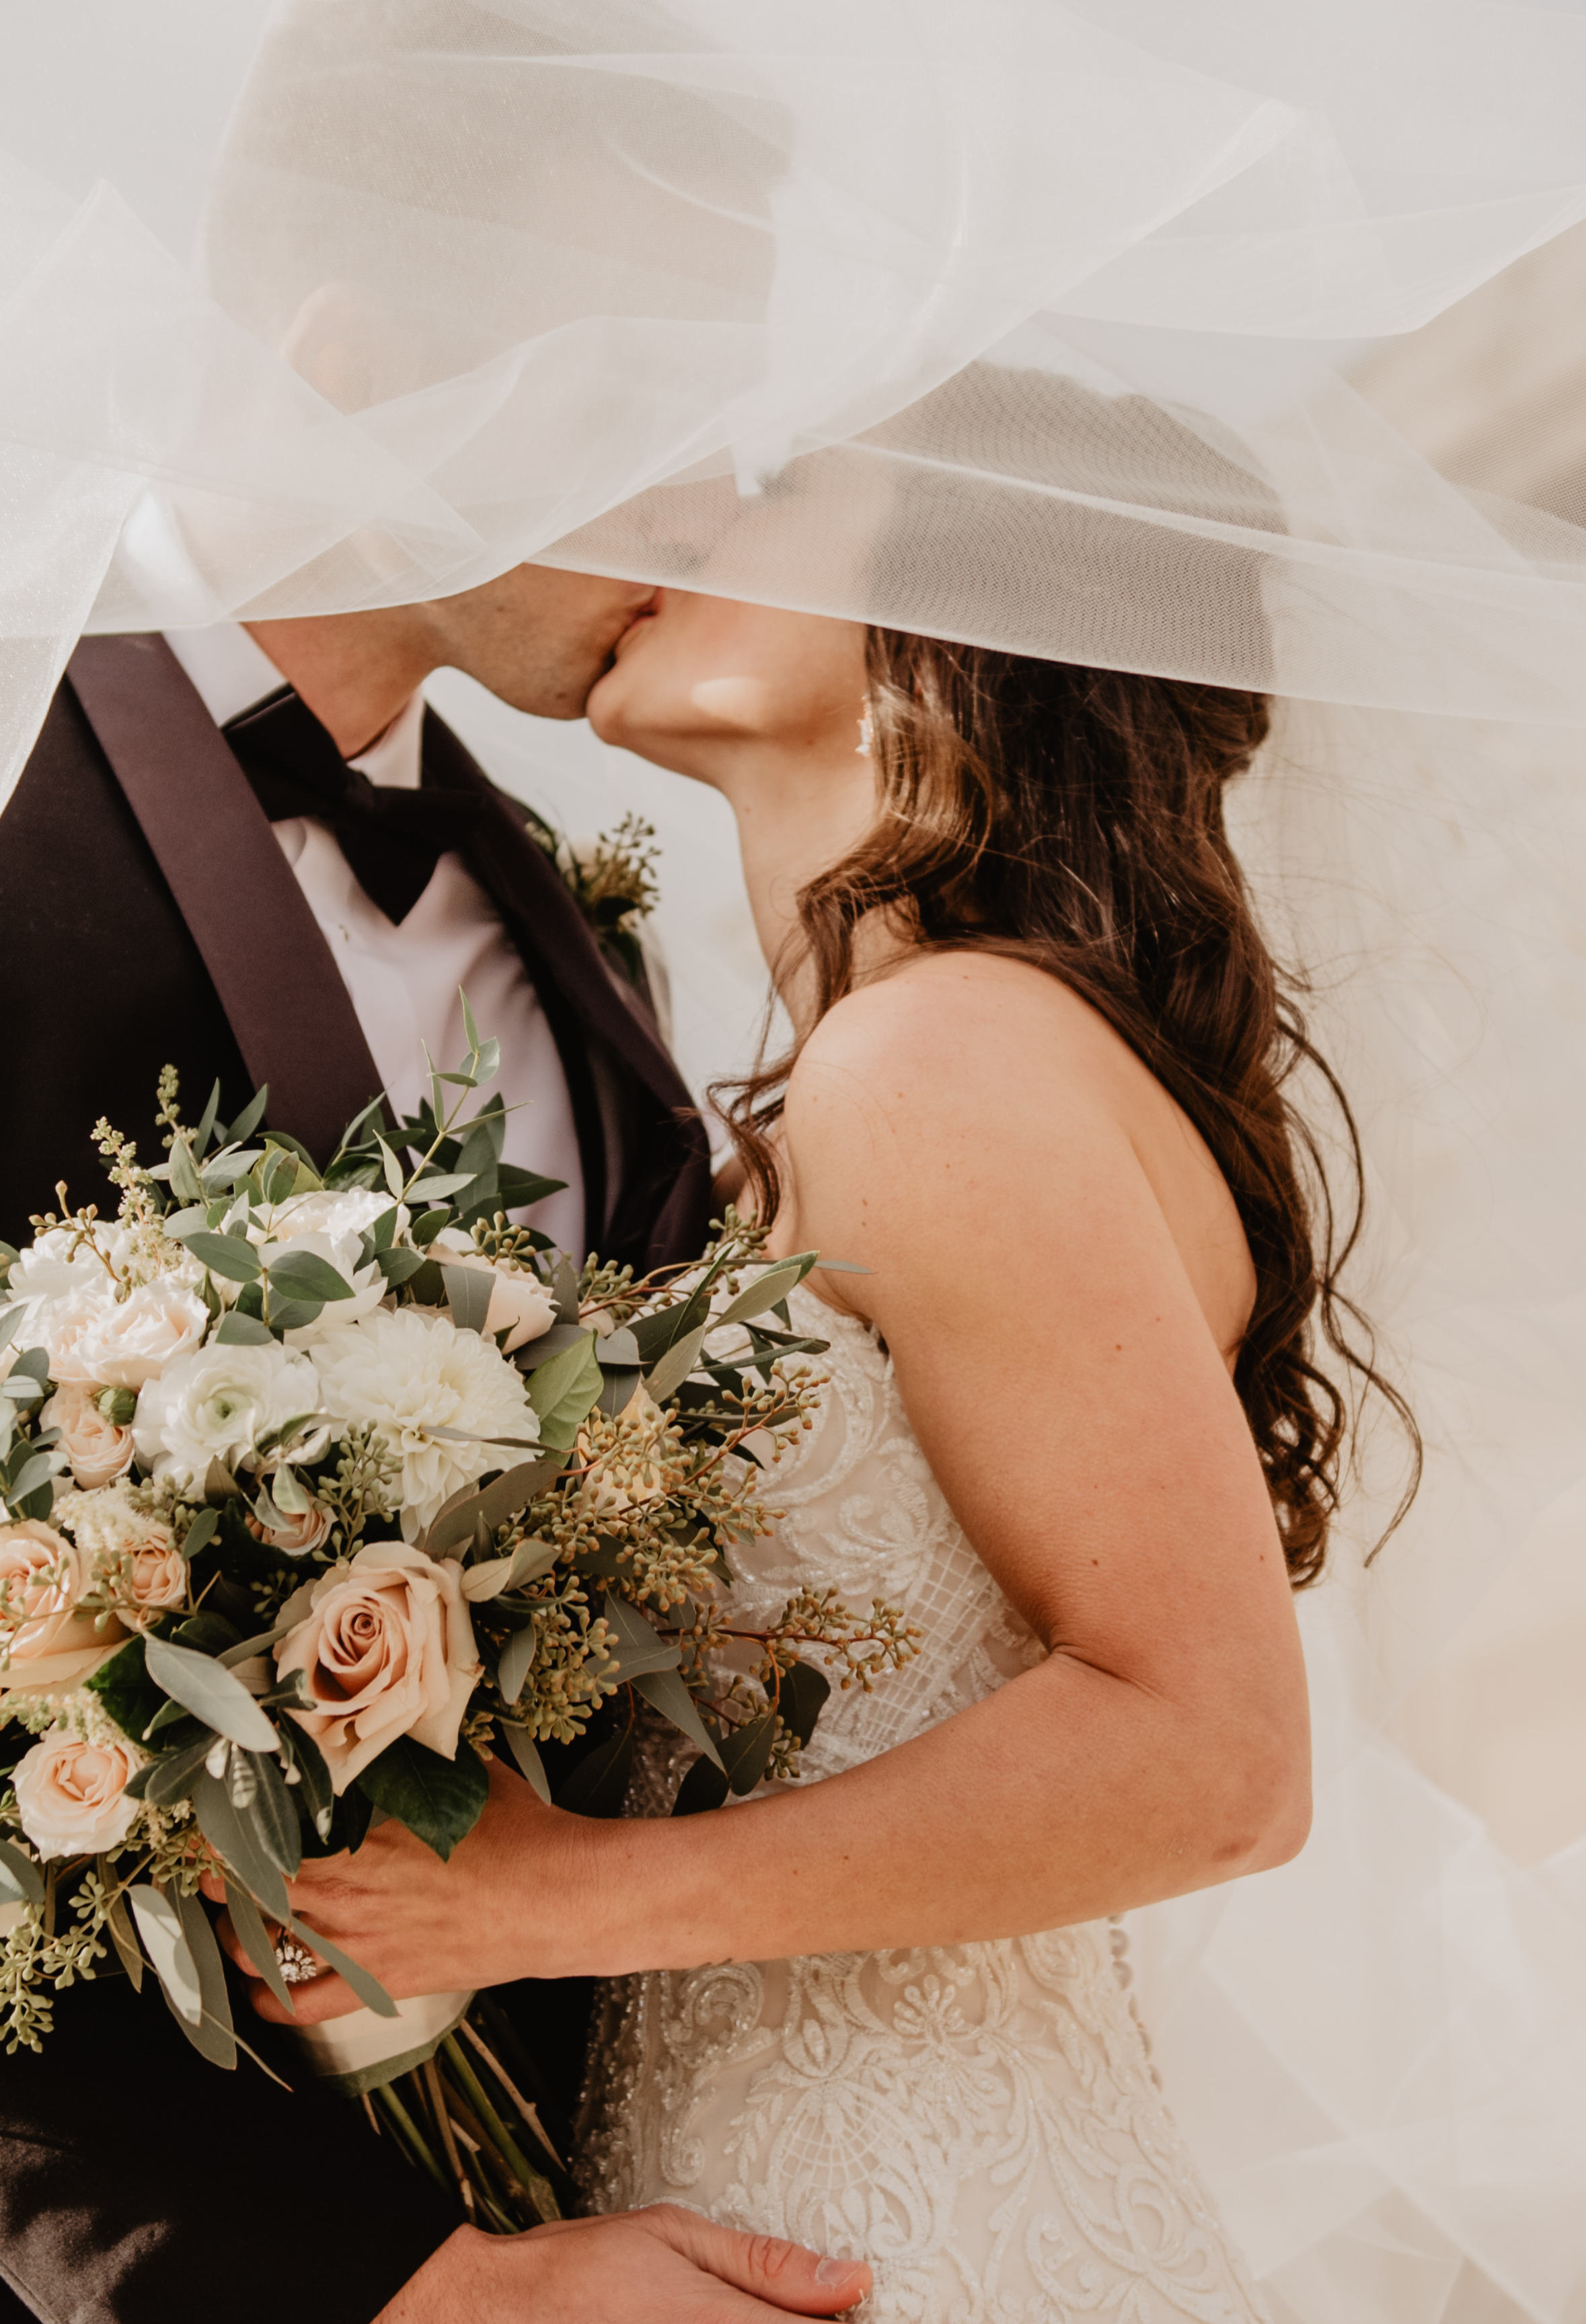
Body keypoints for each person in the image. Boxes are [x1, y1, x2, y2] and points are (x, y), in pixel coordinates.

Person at [233, 381, 1379, 2318]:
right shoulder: (892, 1074)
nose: (668, 512)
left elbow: (1217, 1757)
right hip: (784, 2193)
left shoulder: (940, 1066)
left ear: (944, 616)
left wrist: (537, 1903)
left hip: (904, 2222)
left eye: (769, 493)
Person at [0, 554, 864, 2322]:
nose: (705, 518)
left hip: (634, 2215)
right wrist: (380, 2291)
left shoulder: (577, 924)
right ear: (380, 347)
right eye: (649, 400)